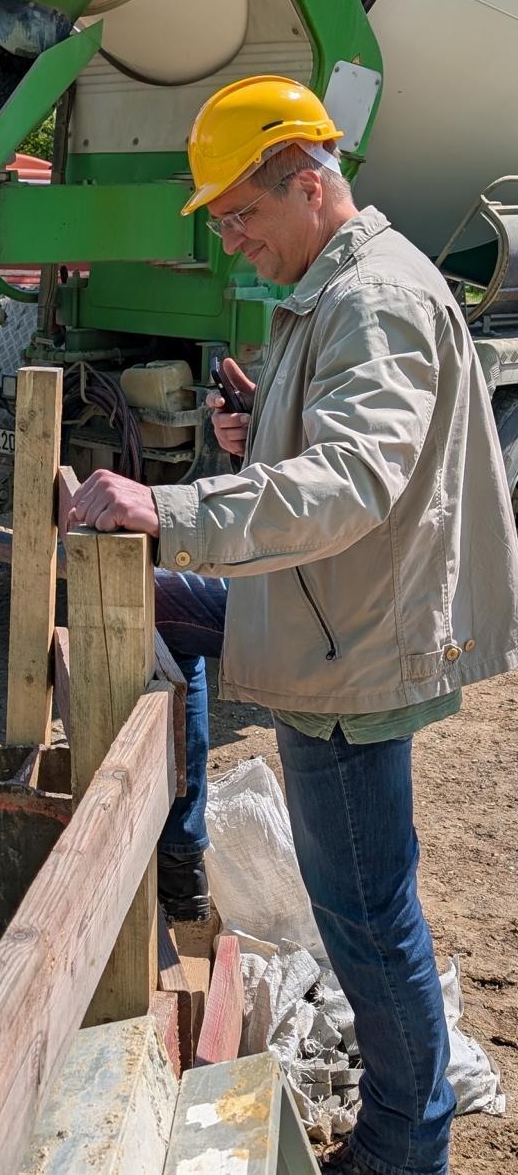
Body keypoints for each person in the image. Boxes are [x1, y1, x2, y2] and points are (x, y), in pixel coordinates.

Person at [68, 74, 518, 1175]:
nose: (234, 243)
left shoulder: (377, 300)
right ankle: (181, 851)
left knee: (367, 921)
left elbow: (355, 483)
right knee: (367, 906)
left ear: (309, 184)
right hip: (334, 618)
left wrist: (169, 506)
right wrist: (251, 432)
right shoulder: (344, 290)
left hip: (350, 658)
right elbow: (333, 468)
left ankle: (404, 1145)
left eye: (242, 216)